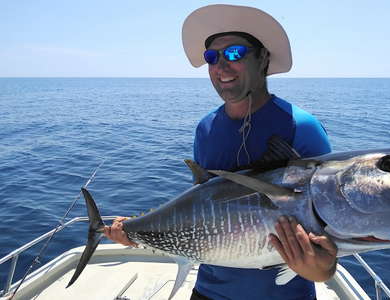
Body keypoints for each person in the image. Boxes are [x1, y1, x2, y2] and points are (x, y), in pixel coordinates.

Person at [105, 4, 338, 300]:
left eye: (235, 54)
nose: (221, 66)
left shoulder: (301, 127)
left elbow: (325, 256)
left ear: (263, 58)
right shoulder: (206, 128)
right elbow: (201, 205)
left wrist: (322, 267)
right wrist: (135, 232)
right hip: (208, 291)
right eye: (212, 57)